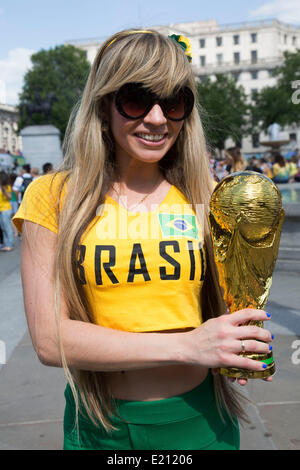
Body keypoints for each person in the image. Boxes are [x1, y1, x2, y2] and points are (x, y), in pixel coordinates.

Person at [12, 29, 273, 451]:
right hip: (100, 429)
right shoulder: (53, 196)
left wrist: (244, 340)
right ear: (103, 103)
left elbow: (230, 309)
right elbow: (48, 337)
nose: (156, 118)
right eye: (136, 99)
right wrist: (190, 345)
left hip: (203, 424)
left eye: (173, 103)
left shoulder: (207, 195)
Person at [0, 171, 14, 252]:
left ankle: (10, 244)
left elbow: (10, 198)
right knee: (3, 227)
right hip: (1, 209)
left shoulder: (6, 186)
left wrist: (4, 191)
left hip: (6, 209)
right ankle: (6, 244)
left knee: (7, 227)